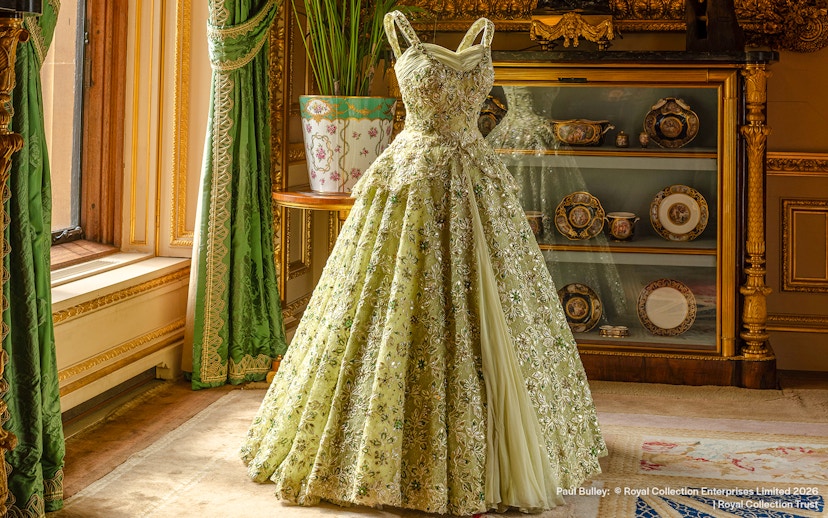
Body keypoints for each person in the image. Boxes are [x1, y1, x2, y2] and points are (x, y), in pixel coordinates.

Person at [240, 10, 606, 516]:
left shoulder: (483, 32)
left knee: (499, 312)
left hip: (477, 180)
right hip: (412, 179)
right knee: (395, 306)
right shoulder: (397, 29)